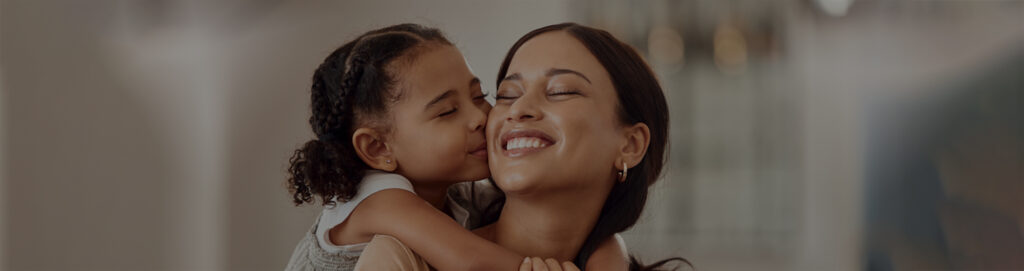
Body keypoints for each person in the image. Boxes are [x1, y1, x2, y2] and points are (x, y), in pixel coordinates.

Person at [356, 23, 687, 271]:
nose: (518, 109)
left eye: (560, 91)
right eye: (506, 95)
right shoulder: (402, 257)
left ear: (630, 145)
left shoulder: (611, 258)